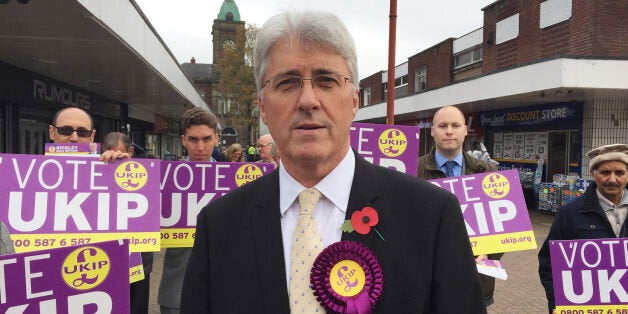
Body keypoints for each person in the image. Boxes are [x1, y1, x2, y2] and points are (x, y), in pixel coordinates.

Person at [181, 11, 484, 313]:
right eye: (287, 83)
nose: (308, 100)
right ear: (262, 107)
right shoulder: (219, 225)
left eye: (326, 80)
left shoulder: (432, 216)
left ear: (354, 101)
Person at [417, 105, 502, 307]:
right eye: (443, 125)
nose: (449, 131)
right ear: (432, 131)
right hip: (427, 282)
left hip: (474, 281)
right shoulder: (413, 170)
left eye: (455, 125)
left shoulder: (488, 172)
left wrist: (489, 254)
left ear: (465, 130)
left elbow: (503, 229)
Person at [538, 143, 628, 314]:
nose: (612, 179)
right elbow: (548, 262)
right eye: (605, 172)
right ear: (594, 174)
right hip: (587, 307)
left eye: (620, 172)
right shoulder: (571, 213)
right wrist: (557, 301)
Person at [159, 107, 219, 314]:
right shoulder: (163, 179)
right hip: (176, 291)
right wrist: (111, 166)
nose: (200, 147)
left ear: (216, 139)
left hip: (223, 291)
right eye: (193, 140)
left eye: (206, 139)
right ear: (183, 140)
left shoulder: (233, 181)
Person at [101, 131, 153, 314]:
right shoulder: (95, 171)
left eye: (120, 153)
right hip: (105, 260)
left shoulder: (149, 173)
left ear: (130, 152)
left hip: (138, 262)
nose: (115, 158)